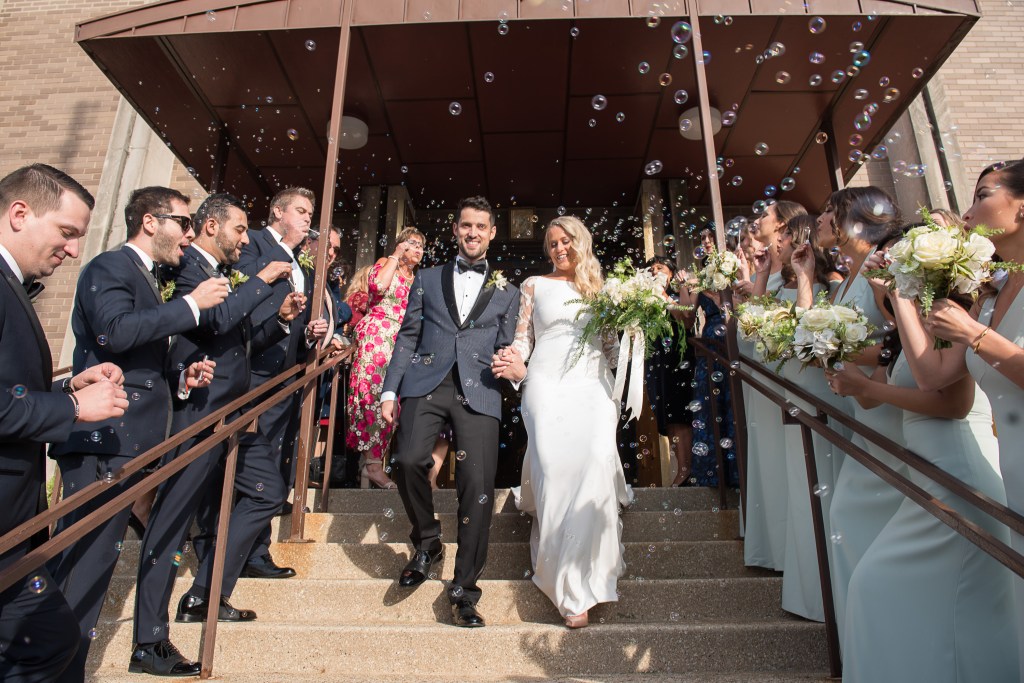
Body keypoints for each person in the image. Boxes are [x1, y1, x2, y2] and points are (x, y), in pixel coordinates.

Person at [46, 186, 226, 683]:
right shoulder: (109, 267)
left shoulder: (148, 277)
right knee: (81, 572)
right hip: (104, 441)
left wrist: (182, 377)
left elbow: (139, 358)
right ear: (150, 221)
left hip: (134, 443)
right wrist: (191, 305)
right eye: (184, 223)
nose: (190, 234)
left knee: (94, 571)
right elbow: (115, 332)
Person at [129, 193, 301, 677]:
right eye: (240, 229)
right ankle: (149, 640)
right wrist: (263, 281)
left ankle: (204, 593)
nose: (245, 239)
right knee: (171, 523)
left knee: (268, 492)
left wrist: (280, 321)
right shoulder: (188, 271)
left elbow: (238, 341)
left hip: (234, 415)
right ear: (211, 227)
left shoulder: (223, 275)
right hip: (199, 414)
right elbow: (215, 320)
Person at [888, 158, 1024, 680]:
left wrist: (974, 335)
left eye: (983, 194)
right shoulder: (993, 294)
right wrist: (903, 293)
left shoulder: (981, 318)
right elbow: (932, 376)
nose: (968, 211)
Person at [827, 312, 1018, 681]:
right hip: (928, 480)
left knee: (874, 585)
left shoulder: (949, 314)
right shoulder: (908, 326)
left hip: (958, 478)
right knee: (880, 589)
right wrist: (832, 360)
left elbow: (954, 404)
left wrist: (866, 386)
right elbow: (869, 399)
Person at [0, 163, 129, 682]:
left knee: (50, 643)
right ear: (19, 213)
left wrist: (67, 390)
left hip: (14, 528)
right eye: (67, 232)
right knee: (50, 644)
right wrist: (74, 410)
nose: (74, 250)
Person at [380, 196, 520, 628]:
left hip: (481, 390)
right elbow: (407, 336)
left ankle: (465, 592)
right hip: (427, 382)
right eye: (465, 225)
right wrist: (390, 390)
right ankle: (427, 541)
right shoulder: (426, 278)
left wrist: (513, 367)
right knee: (406, 460)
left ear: (492, 233)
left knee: (477, 488)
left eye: (481, 226)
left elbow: (507, 344)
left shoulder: (509, 291)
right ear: (456, 229)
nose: (472, 232)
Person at [493, 216, 632, 628]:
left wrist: (633, 330)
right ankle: (566, 585)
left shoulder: (602, 289)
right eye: (552, 243)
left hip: (592, 385)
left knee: (595, 461)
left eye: (565, 240)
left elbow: (611, 348)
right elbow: (524, 338)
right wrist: (514, 359)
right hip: (546, 382)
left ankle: (590, 578)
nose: (559, 248)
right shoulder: (534, 285)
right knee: (553, 470)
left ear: (580, 242)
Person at [792, 186, 904, 642]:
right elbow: (807, 332)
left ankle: (880, 632)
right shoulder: (844, 281)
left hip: (891, 413)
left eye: (826, 212)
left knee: (856, 520)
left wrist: (844, 353)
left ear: (851, 217)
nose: (818, 221)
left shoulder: (883, 267)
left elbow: (900, 345)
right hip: (864, 415)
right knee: (850, 520)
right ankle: (867, 634)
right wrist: (803, 275)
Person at [234, 186, 326, 580]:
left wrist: (309, 332)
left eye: (310, 214)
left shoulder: (302, 263)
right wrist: (281, 254)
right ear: (276, 211)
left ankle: (254, 550)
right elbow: (241, 293)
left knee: (274, 464)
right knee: (255, 469)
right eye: (301, 211)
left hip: (288, 378)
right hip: (254, 373)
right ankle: (242, 552)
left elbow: (290, 317)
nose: (308, 219)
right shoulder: (252, 243)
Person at [740, 201, 806, 571]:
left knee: (788, 461)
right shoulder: (770, 271)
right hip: (765, 372)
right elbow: (755, 325)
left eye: (765, 215)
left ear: (783, 225)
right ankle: (777, 546)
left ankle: (790, 549)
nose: (757, 220)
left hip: (788, 376)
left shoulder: (800, 272)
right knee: (769, 458)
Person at [347, 227, 425, 489]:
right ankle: (372, 467)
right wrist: (395, 255)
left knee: (396, 404)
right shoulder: (385, 263)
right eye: (412, 243)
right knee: (373, 398)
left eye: (421, 246)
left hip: (403, 342)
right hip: (378, 337)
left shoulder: (418, 280)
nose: (417, 249)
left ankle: (376, 464)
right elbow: (378, 286)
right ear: (400, 244)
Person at [642, 256, 695, 487]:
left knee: (679, 413)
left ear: (671, 273)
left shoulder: (676, 293)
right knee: (668, 417)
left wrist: (662, 294)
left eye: (660, 268)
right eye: (651, 269)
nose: (655, 272)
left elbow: (685, 319)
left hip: (677, 357)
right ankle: (681, 468)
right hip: (657, 359)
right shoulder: (647, 299)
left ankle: (686, 470)